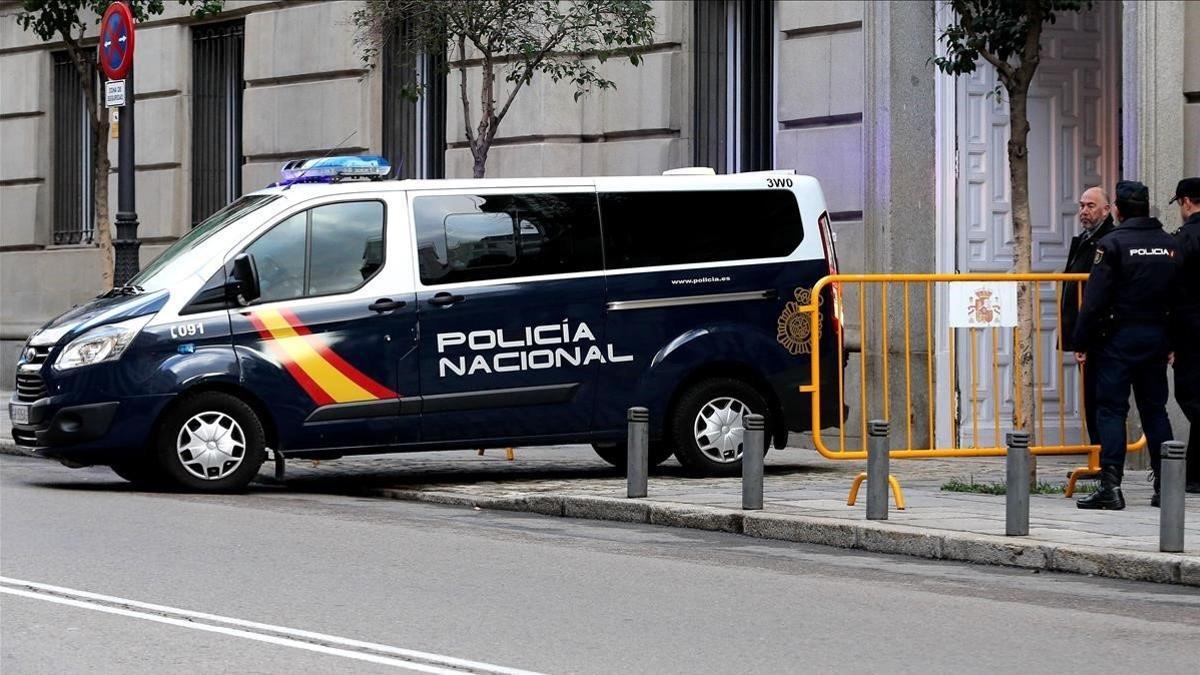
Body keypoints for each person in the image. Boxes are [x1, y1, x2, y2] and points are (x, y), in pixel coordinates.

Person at [1073, 180, 1178, 510]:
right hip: (1157, 339)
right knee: (1154, 410)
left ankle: (1111, 487)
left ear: (1116, 209)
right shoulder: (1169, 245)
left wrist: (1082, 340)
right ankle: (1165, 485)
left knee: (1111, 411)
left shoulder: (1112, 244)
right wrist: (1173, 340)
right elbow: (1182, 297)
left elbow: (1095, 299)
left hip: (1117, 340)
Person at [1060, 186, 1115, 445]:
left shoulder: (1108, 240)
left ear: (1107, 210)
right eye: (1082, 205)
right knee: (1091, 401)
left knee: (1101, 401)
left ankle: (1106, 462)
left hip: (1100, 334)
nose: (1084, 211)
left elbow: (1097, 293)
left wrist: (1084, 337)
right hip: (1085, 331)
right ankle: (1099, 457)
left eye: (1090, 206)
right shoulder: (1083, 239)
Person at [1170, 177, 1200, 494]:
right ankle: (1193, 475)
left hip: (1190, 333)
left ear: (1186, 202)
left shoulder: (1182, 240)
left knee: (1189, 397)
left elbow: (1171, 290)